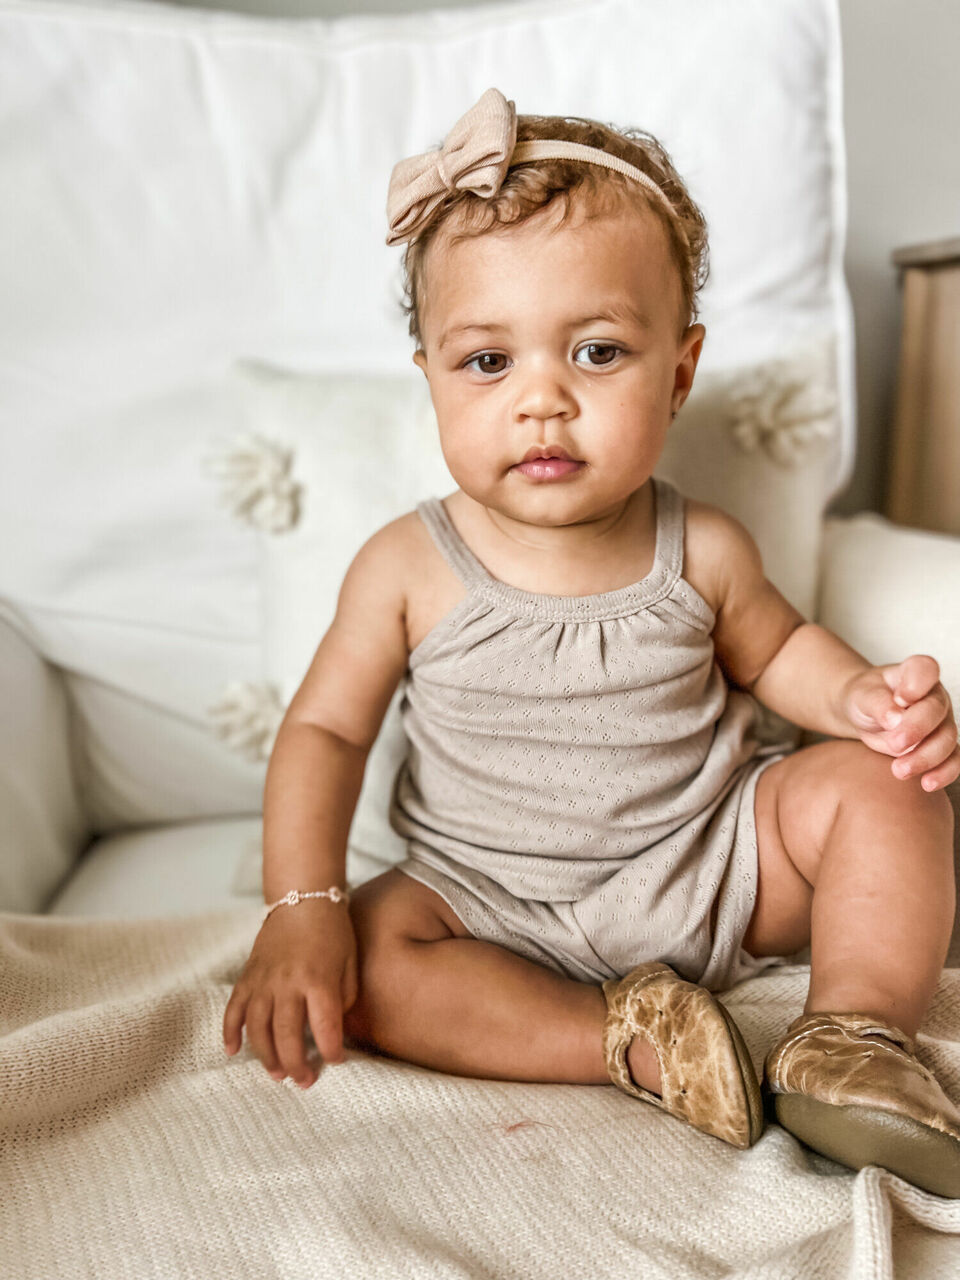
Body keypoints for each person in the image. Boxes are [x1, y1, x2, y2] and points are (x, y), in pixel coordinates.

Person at [223, 87, 960, 1193]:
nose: (545, 402)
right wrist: (302, 905)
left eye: (599, 351)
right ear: (427, 373)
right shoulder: (406, 565)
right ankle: (633, 1039)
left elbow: (775, 651)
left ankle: (851, 1038)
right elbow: (326, 728)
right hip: (487, 899)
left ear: (680, 369)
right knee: (365, 966)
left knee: (889, 791)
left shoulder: (699, 544)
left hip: (711, 864)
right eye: (488, 363)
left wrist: (860, 700)